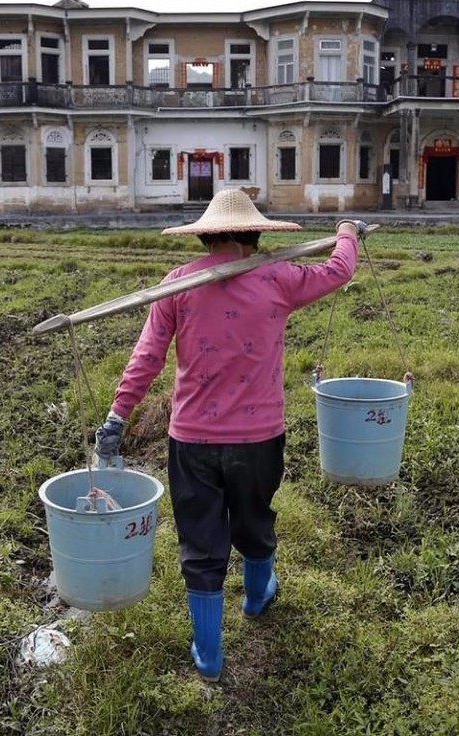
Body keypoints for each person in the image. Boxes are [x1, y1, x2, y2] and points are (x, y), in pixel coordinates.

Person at [94, 188, 367, 681]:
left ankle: (209, 653)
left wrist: (118, 416)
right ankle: (259, 595)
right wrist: (347, 234)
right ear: (254, 234)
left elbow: (147, 357)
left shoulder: (177, 284)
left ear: (208, 237)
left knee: (201, 543)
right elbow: (338, 271)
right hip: (258, 440)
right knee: (254, 518)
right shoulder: (280, 277)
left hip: (192, 442)